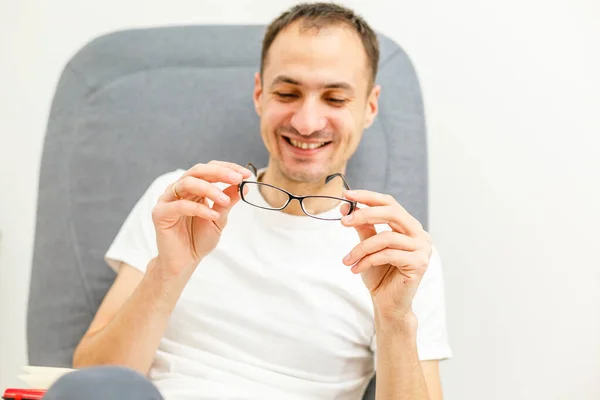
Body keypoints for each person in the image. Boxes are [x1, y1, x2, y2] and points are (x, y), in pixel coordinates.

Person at [43, 2, 451, 400]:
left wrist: (395, 320)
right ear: (260, 94)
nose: (307, 123)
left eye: (335, 99)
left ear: (370, 106)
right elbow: (91, 380)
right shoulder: (182, 202)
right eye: (287, 93)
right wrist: (167, 272)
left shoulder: (398, 252)